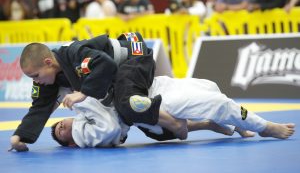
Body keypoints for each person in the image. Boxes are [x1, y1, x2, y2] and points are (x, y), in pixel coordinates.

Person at [9, 32, 186, 152]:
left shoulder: (73, 52)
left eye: (36, 75)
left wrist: (83, 93)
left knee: (128, 105)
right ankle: (193, 125)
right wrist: (20, 136)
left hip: (134, 57)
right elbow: (40, 107)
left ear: (48, 62)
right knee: (146, 126)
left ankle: (176, 124)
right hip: (116, 75)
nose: (36, 81)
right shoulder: (48, 78)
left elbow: (106, 64)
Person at [51, 76, 295, 148]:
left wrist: (75, 97)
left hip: (150, 84)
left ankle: (235, 123)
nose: (60, 127)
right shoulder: (87, 135)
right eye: (60, 133)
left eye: (59, 123)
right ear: (71, 142)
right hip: (150, 102)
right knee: (217, 103)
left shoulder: (78, 106)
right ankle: (264, 127)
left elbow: (58, 88)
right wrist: (79, 99)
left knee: (210, 85)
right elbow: (110, 127)